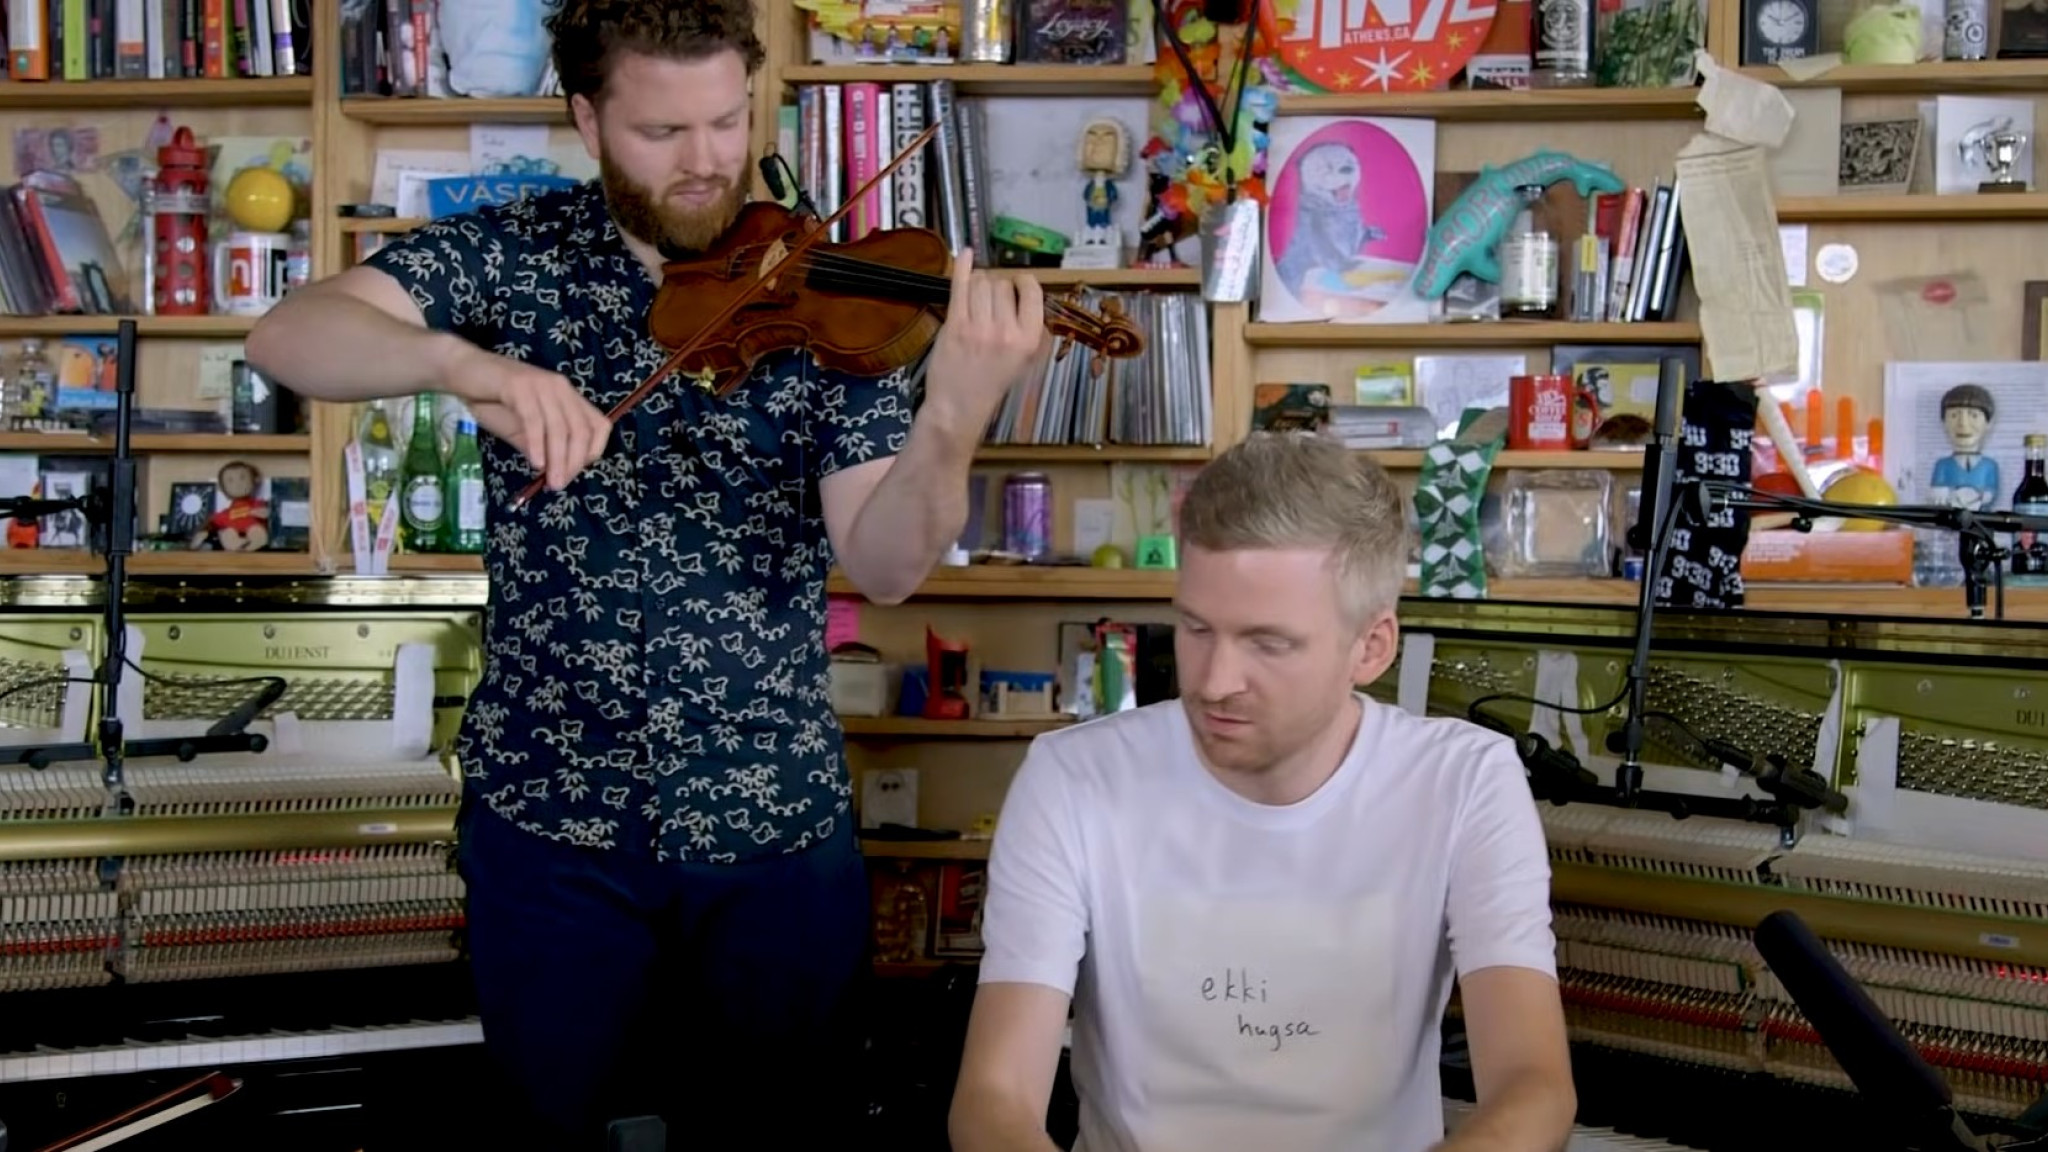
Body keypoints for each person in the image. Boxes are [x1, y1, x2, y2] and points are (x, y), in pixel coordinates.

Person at [243, 0, 1050, 1146]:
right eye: (662, 134)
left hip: (769, 826)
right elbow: (286, 338)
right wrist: (457, 362)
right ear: (587, 117)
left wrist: (953, 420)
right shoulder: (513, 256)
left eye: (726, 122)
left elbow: (887, 562)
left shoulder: (828, 293)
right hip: (550, 831)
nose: (707, 160)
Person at [949, 432, 1576, 1152]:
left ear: (1371, 648)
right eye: (1195, 628)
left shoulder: (1466, 781)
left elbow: (1534, 1087)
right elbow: (993, 1101)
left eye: (1268, 643)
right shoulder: (1072, 778)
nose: (1214, 681)